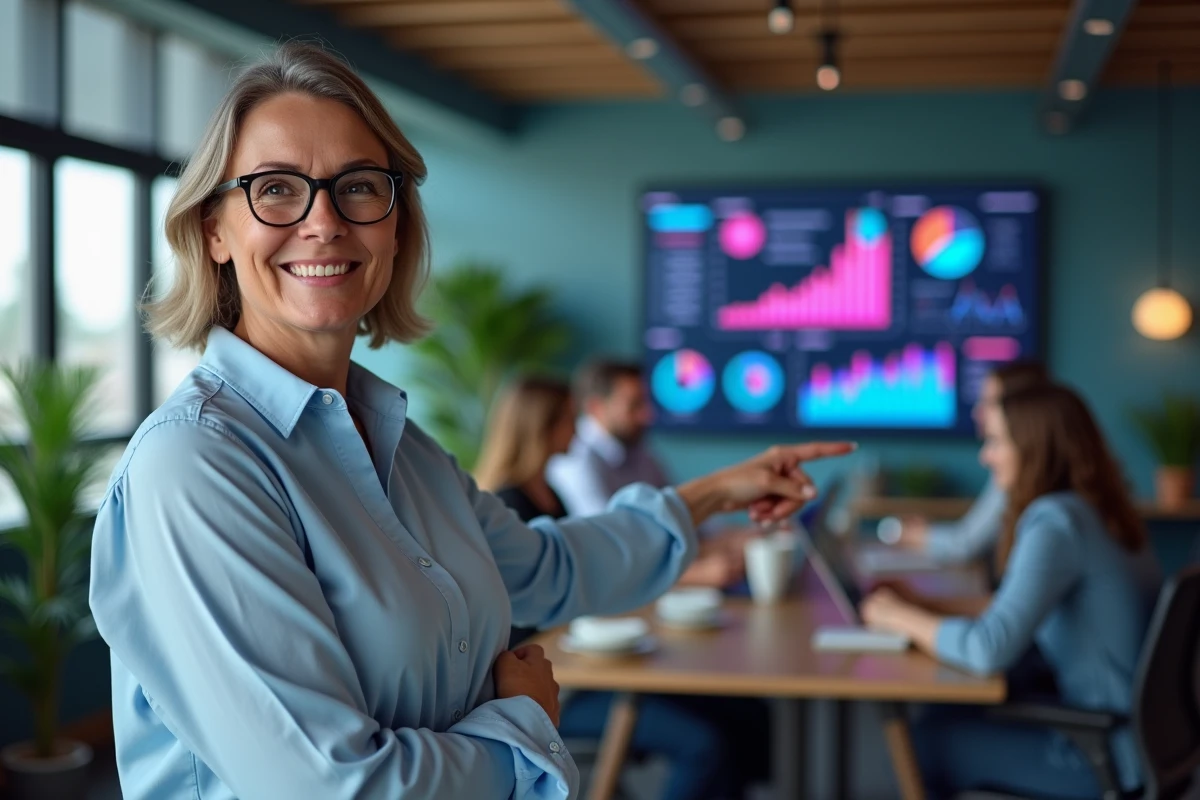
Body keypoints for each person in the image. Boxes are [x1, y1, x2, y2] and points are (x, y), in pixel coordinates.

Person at [86, 42, 854, 800]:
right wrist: (521, 727)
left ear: (394, 224)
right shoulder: (193, 466)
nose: (323, 221)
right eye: (277, 189)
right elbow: (327, 789)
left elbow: (548, 569)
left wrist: (714, 494)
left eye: (358, 187)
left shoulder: (401, 447)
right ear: (215, 230)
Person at [476, 376, 770, 800]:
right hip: (559, 682)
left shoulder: (550, 494)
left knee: (741, 712)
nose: (578, 431)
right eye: (568, 421)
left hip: (587, 660)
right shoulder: (509, 506)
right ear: (541, 428)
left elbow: (582, 572)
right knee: (705, 744)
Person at [861, 384, 1160, 799]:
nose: (986, 455)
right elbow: (1018, 606)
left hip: (1095, 755)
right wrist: (924, 605)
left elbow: (987, 650)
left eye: (996, 441)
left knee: (923, 740)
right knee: (947, 714)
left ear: (1035, 448)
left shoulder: (1054, 522)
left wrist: (898, 618)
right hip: (1137, 748)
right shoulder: (1099, 511)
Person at [548, 359, 757, 589]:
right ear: (596, 407)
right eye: (634, 405)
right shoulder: (576, 463)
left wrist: (732, 537)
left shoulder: (638, 450)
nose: (647, 415)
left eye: (645, 403)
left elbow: (678, 511)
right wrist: (694, 572)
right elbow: (611, 551)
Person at [892, 361, 1049, 564]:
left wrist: (912, 535)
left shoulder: (1045, 507)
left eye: (990, 403)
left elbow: (965, 545)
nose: (978, 412)